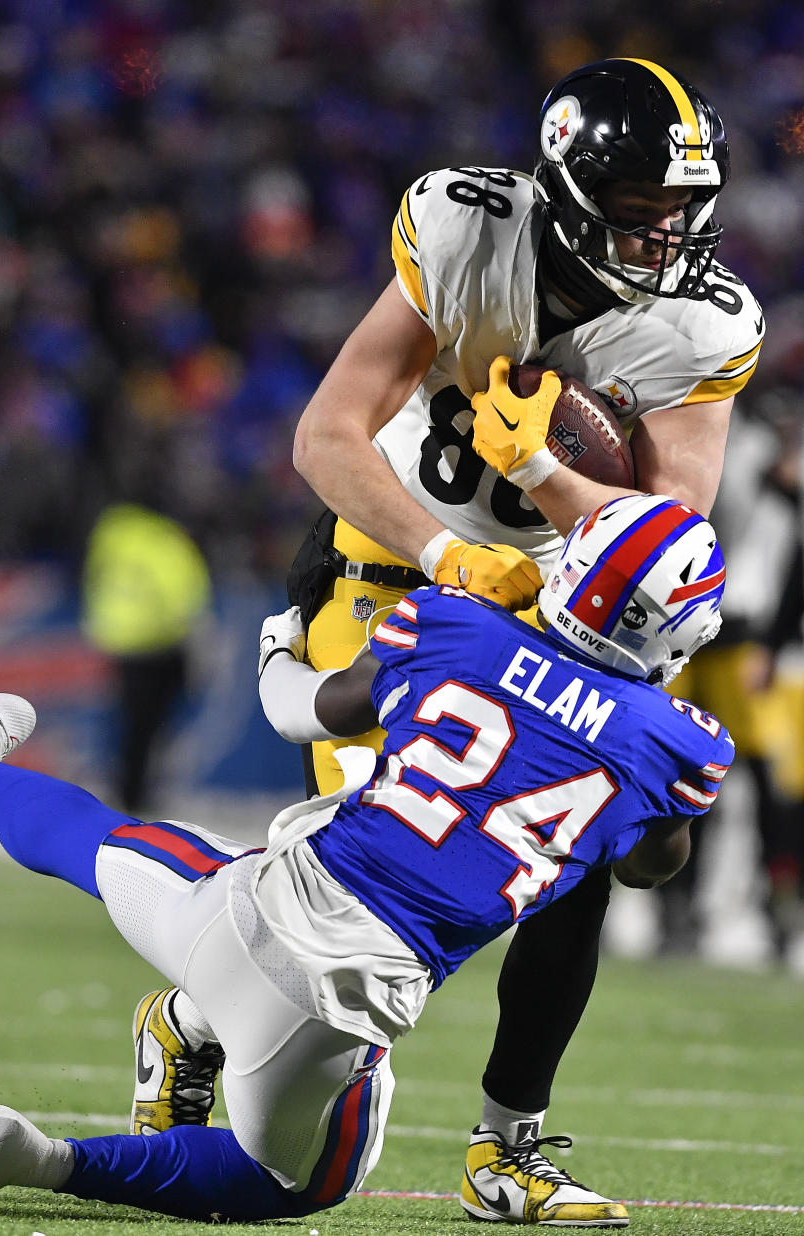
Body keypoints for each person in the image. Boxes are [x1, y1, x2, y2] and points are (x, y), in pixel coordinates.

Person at [0, 494, 732, 1226]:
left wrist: (277, 646)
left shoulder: (455, 622)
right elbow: (651, 867)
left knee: (97, 844)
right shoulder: (677, 744)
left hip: (242, 906)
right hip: (330, 1014)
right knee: (294, 1183)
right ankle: (40, 1158)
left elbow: (303, 711)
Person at [283, 56, 764, 1221]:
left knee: (577, 876)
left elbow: (668, 539)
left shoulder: (707, 323)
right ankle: (193, 1027)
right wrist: (451, 557)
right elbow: (327, 437)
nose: (664, 238)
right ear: (567, 185)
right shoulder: (464, 227)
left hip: (555, 617)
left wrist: (546, 480)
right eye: (640, 210)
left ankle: (509, 1147)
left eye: (680, 215)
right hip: (388, 572)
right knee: (387, 876)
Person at [81, 502, 212, 814]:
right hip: (159, 642)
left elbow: (93, 580)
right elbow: (182, 593)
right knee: (152, 724)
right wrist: (197, 635)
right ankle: (137, 794)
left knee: (130, 723)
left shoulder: (113, 536)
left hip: (120, 640)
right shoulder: (165, 542)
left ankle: (125, 789)